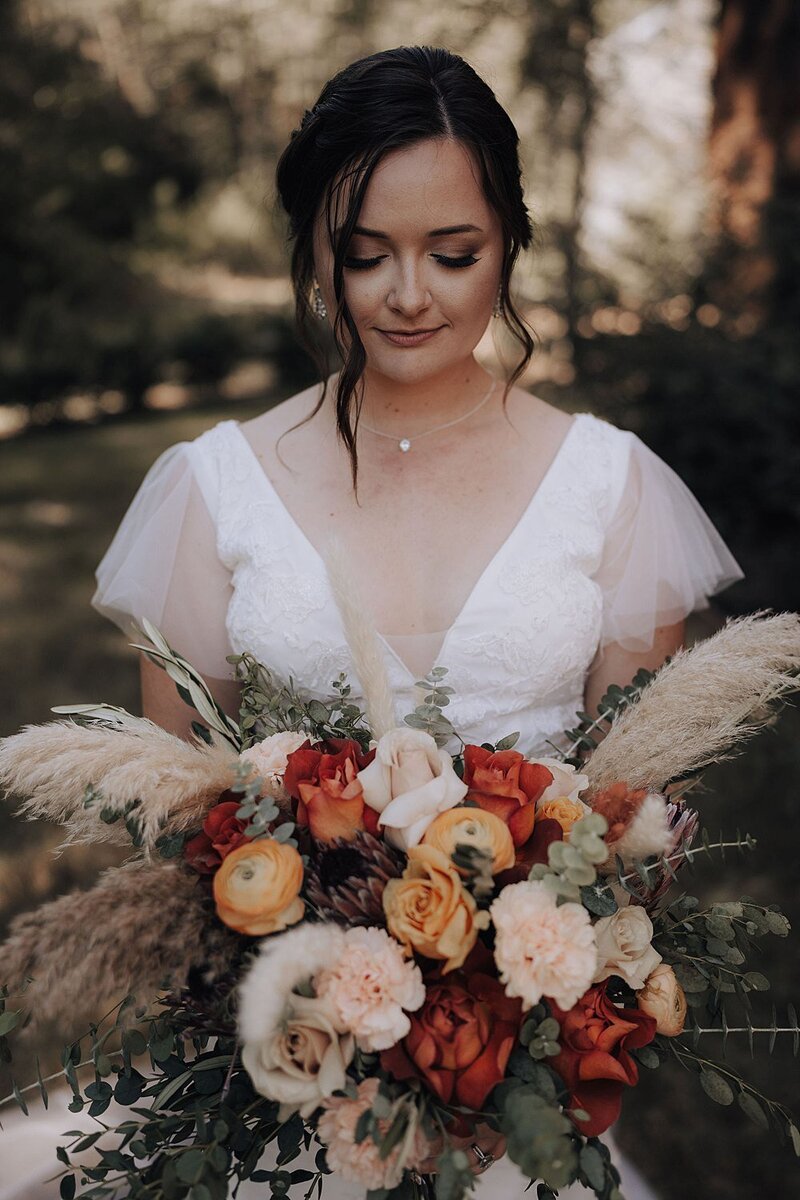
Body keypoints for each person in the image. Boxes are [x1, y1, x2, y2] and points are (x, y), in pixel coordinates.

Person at [2, 46, 744, 1200]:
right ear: (316, 256)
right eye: (365, 255)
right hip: (273, 1064)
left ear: (508, 244)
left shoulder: (611, 490)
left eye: (453, 254)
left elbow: (628, 834)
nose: (409, 294)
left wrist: (502, 1006)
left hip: (504, 1092)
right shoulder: (213, 488)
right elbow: (176, 825)